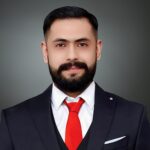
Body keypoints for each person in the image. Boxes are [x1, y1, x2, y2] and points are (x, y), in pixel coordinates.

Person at [0, 6, 150, 150]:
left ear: (97, 50)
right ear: (45, 52)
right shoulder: (12, 120)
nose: (72, 56)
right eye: (60, 45)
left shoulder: (134, 116)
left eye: (82, 44)